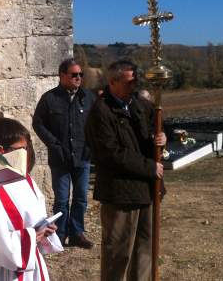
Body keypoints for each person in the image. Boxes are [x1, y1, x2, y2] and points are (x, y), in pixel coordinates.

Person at [84, 60, 166, 281]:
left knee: (144, 250)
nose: (135, 85)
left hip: (146, 189)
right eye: (130, 81)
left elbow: (154, 129)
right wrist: (150, 167)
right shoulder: (100, 112)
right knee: (118, 253)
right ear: (113, 82)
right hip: (120, 193)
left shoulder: (141, 105)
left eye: (136, 80)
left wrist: (161, 139)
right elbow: (111, 154)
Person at [0, 117, 63, 281]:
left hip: (33, 264)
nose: (27, 154)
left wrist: (46, 229)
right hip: (6, 273)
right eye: (21, 149)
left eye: (27, 148)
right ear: (1, 151)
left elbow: (36, 217)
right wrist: (33, 235)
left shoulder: (27, 180)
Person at [32, 58, 96, 248]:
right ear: (62, 75)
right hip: (60, 159)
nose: (78, 78)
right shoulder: (49, 98)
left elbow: (96, 123)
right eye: (74, 75)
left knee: (81, 197)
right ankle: (59, 235)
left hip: (82, 157)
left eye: (80, 75)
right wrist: (53, 144)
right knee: (61, 200)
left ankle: (77, 233)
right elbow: (38, 123)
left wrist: (90, 146)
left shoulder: (88, 97)